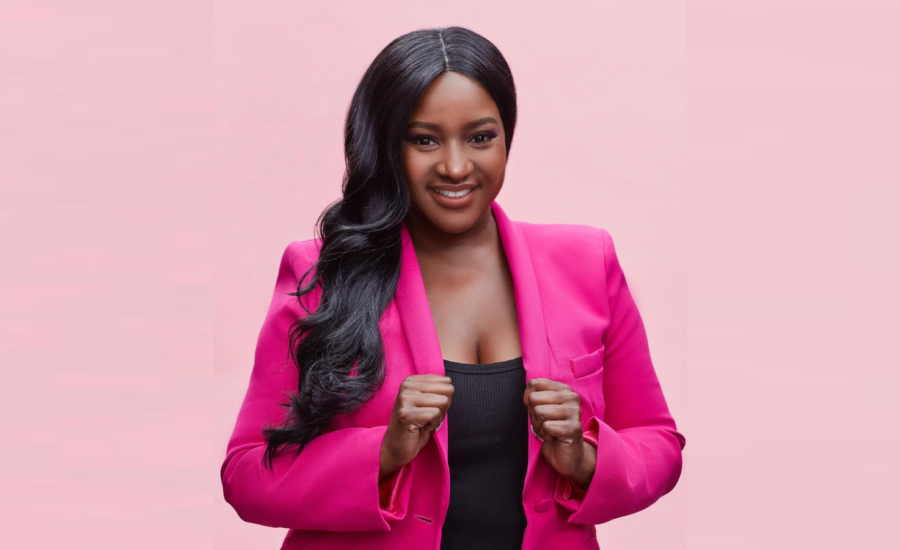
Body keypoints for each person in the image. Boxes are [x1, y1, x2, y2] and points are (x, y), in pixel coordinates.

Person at [220, 26, 686, 550]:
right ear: (387, 144)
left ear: (507, 135)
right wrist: (384, 453)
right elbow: (246, 474)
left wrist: (585, 459)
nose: (456, 166)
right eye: (424, 139)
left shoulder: (587, 262)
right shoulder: (323, 273)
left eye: (481, 137)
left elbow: (659, 444)